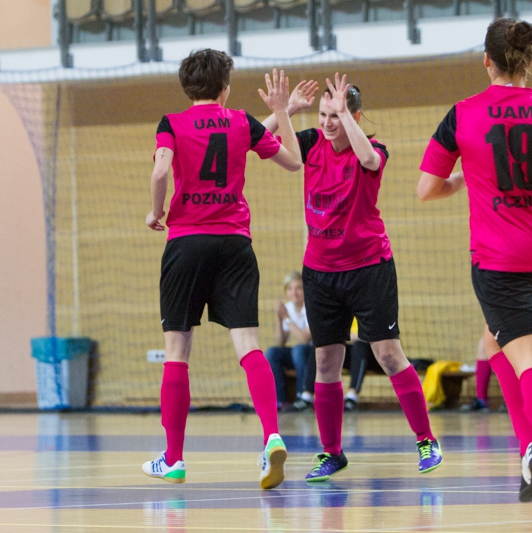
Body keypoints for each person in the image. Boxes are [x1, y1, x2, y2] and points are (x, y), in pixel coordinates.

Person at [417, 17, 532, 527]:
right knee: (494, 344)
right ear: (530, 62)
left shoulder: (463, 114)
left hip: (500, 258)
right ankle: (530, 450)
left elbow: (426, 188)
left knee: (531, 360)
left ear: (486, 61)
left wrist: (462, 181)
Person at [264, 74, 443, 481]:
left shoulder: (372, 149)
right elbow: (263, 142)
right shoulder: (311, 143)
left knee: (387, 353)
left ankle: (426, 439)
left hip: (368, 268)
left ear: (355, 115)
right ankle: (331, 453)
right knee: (326, 359)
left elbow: (370, 162)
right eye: (324, 115)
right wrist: (285, 110)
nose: (327, 123)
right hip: (320, 273)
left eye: (337, 116)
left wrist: (348, 117)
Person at [142, 50, 302, 489]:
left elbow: (160, 171)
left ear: (185, 86)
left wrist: (156, 212)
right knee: (248, 346)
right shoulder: (241, 122)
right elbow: (293, 160)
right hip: (235, 244)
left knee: (178, 352)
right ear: (225, 87)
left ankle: (173, 459)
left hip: (186, 244)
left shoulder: (171, 123)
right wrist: (282, 113)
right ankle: (271, 435)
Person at [462, 302, 532, 412]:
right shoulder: (515, 304)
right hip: (521, 346)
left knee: (522, 350)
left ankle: (521, 400)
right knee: (484, 344)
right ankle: (482, 399)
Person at [266, 271, 315, 411]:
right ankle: (280, 400)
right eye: (289, 288)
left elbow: (305, 339)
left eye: (298, 288)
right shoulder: (288, 308)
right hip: (298, 352)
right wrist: (279, 317)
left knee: (298, 349)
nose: (294, 292)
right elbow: (281, 341)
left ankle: (302, 396)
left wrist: (286, 318)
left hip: (314, 354)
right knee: (272, 353)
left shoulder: (311, 307)